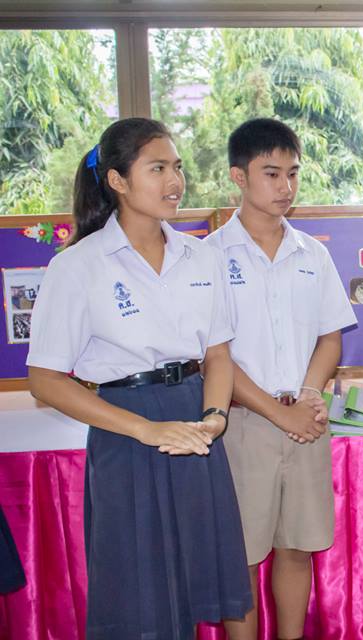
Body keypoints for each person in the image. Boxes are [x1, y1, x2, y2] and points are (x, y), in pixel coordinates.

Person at [25, 117, 251, 639]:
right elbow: (45, 379)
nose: (175, 181)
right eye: (157, 168)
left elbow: (218, 354)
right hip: (126, 432)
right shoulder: (77, 266)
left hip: (195, 426)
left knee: (196, 578)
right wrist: (146, 429)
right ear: (117, 181)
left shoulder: (201, 255)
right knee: (139, 591)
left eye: (177, 167)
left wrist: (214, 417)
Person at [208, 118, 357, 640]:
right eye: (271, 173)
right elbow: (214, 357)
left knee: (297, 548)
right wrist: (278, 413)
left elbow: (330, 338)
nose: (285, 186)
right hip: (242, 425)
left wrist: (310, 394)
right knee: (243, 557)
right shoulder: (208, 257)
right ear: (238, 176)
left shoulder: (312, 254)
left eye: (292, 173)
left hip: (306, 419)